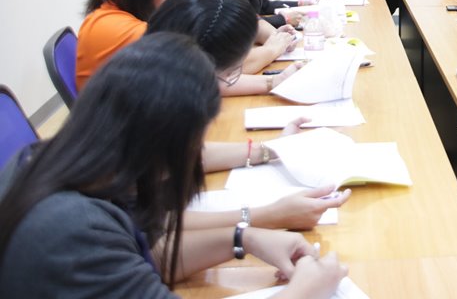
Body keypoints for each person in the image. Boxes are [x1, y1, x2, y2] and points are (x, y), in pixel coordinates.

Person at [0, 33, 347, 298]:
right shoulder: (73, 231)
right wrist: (305, 292)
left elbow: (145, 253)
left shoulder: (61, 162)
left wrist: (243, 238)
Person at [146, 0, 352, 232]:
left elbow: (185, 156)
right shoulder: (152, 112)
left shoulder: (150, 82)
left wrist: (273, 150)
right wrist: (267, 216)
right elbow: (148, 231)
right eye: (233, 73)